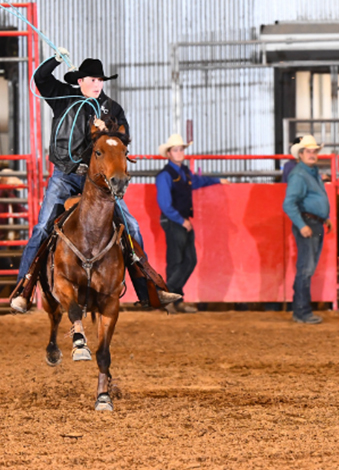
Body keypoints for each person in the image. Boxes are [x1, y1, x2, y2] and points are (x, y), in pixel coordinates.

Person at [10, 50, 180, 313]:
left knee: (132, 227)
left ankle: (147, 289)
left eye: (100, 80)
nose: (97, 84)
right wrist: (55, 59)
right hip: (65, 175)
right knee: (43, 226)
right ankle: (25, 288)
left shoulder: (113, 109)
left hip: (99, 183)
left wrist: (107, 129)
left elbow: (122, 142)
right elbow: (40, 78)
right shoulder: (63, 98)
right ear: (80, 81)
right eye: (92, 79)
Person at [156, 134, 229, 314]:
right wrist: (181, 220)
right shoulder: (165, 175)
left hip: (180, 221)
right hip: (175, 221)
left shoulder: (183, 173)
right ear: (169, 153)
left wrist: (217, 180)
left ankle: (172, 297)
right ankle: (167, 296)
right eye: (176, 149)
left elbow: (198, 181)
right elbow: (164, 204)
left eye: (181, 149)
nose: (180, 152)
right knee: (178, 261)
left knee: (187, 260)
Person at [282, 135, 330, 324]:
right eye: (308, 151)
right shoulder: (300, 174)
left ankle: (301, 310)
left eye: (314, 151)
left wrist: (324, 218)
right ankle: (302, 311)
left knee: (306, 268)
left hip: (314, 222)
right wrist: (302, 225)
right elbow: (288, 204)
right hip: (308, 223)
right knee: (306, 268)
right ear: (300, 154)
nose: (312, 154)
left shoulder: (309, 172)